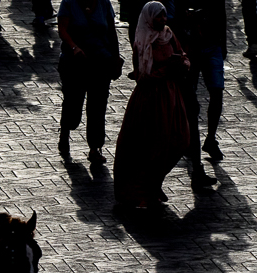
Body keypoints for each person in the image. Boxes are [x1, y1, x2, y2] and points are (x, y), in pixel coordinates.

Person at [113, 1, 191, 209]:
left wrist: (181, 64)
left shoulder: (168, 34)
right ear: (149, 18)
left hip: (171, 96)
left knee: (179, 139)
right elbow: (141, 74)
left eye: (164, 16)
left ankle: (154, 183)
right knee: (150, 145)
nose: (163, 20)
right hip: (150, 98)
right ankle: (142, 190)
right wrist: (164, 70)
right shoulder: (143, 39)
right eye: (158, 16)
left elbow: (183, 55)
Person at [57, 0, 122, 163]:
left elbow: (111, 32)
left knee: (98, 106)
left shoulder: (104, 4)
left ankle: (95, 148)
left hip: (100, 62)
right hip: (75, 62)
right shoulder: (69, 3)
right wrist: (74, 47)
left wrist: (115, 58)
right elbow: (62, 30)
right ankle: (65, 130)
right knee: (73, 104)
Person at [176, 0, 225, 183]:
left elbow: (221, 13)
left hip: (212, 43)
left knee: (217, 91)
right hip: (191, 46)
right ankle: (194, 147)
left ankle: (210, 138)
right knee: (191, 100)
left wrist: (223, 43)